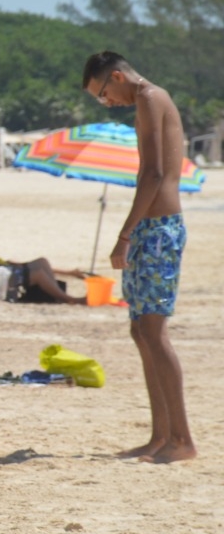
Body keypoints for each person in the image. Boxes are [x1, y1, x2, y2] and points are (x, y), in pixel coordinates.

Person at [83, 50, 196, 463]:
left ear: (116, 76)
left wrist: (124, 234)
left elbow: (154, 174)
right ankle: (161, 436)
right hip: (152, 230)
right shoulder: (146, 101)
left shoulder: (149, 97)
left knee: (153, 331)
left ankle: (181, 439)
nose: (106, 101)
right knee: (140, 331)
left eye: (103, 93)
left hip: (159, 231)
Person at [0, 212, 87, 304]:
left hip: (2, 268)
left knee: (42, 261)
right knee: (39, 274)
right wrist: (6, 264)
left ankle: (60, 291)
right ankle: (69, 299)